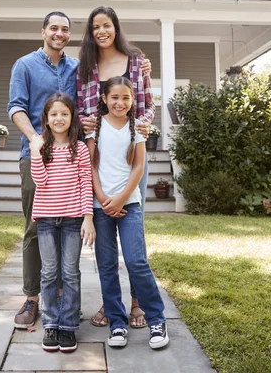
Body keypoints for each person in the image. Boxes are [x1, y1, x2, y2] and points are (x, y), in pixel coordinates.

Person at [76, 5, 155, 328]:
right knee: (106, 239)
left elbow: (148, 105)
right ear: (91, 31)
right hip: (98, 152)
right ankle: (111, 306)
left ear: (115, 27)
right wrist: (86, 122)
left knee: (134, 233)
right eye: (96, 27)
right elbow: (80, 107)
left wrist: (143, 127)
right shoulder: (85, 66)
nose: (101, 31)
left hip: (131, 152)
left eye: (106, 25)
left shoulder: (137, 61)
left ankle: (137, 303)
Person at [7, 12, 78, 329]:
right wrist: (36, 139)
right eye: (54, 28)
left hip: (70, 159)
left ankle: (60, 297)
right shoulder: (25, 65)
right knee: (35, 228)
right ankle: (32, 299)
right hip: (33, 156)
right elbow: (16, 107)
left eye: (65, 29)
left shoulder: (77, 67)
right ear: (43, 31)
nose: (59, 33)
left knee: (67, 228)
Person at [87, 77, 168, 350]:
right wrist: (103, 199)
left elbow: (139, 168)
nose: (120, 103)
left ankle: (156, 319)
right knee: (107, 266)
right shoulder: (94, 128)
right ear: (104, 99)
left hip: (130, 204)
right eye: (114, 97)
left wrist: (121, 199)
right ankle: (117, 322)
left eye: (125, 98)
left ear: (133, 100)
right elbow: (92, 167)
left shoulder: (138, 129)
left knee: (137, 262)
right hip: (101, 207)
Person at [30, 93, 95, 353]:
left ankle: (67, 325)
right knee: (48, 273)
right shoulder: (42, 146)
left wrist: (88, 218)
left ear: (72, 118)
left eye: (64, 114)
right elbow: (40, 181)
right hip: (45, 219)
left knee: (70, 272)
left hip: (72, 220)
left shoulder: (78, 148)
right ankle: (51, 323)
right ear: (46, 118)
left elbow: (85, 184)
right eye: (54, 114)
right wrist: (35, 152)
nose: (59, 118)